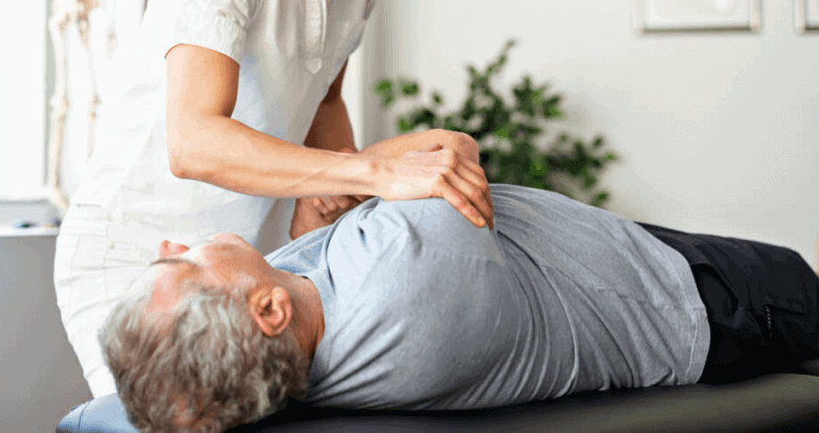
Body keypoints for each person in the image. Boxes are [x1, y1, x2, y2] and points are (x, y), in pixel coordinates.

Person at [54, 0, 495, 398]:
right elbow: (194, 141)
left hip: (246, 260)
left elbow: (325, 102)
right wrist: (372, 172)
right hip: (140, 254)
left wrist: (344, 220)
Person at [100, 171, 819, 433]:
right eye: (183, 265)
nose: (172, 245)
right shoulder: (406, 276)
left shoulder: (273, 351)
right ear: (266, 314)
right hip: (694, 299)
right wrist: (345, 171)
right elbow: (449, 156)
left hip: (628, 263)